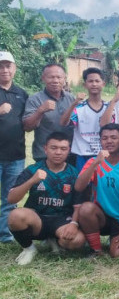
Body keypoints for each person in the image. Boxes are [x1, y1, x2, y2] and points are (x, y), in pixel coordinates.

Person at [7, 132, 86, 265]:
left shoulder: (74, 173)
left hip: (62, 220)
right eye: (53, 148)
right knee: (15, 216)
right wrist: (32, 181)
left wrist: (74, 224)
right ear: (45, 149)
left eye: (63, 149)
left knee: (77, 241)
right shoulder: (33, 170)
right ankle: (29, 248)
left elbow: (79, 204)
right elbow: (11, 199)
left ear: (69, 150)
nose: (58, 152)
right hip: (37, 219)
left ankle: (55, 240)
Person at [74, 124, 119, 258]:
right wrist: (95, 163)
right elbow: (78, 187)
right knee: (86, 209)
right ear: (100, 141)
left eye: (113, 137)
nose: (109, 141)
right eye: (104, 138)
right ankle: (96, 250)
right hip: (101, 216)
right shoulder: (94, 162)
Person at [0, 51, 28, 243]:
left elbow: (28, 121)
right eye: (1, 66)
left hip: (16, 155)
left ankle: (5, 234)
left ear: (14, 68)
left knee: (10, 197)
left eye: (8, 65)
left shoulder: (22, 94)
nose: (4, 70)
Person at [23, 63, 76, 161]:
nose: (55, 81)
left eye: (59, 77)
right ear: (43, 78)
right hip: (45, 155)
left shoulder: (72, 99)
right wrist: (40, 111)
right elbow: (27, 127)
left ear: (64, 78)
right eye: (51, 77)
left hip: (70, 154)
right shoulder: (35, 99)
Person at [61, 67, 108, 171]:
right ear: (85, 84)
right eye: (90, 81)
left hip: (104, 154)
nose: (94, 84)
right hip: (83, 155)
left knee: (102, 185)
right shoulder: (79, 108)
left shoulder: (109, 107)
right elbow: (64, 123)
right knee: (83, 185)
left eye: (97, 81)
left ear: (103, 84)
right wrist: (74, 103)